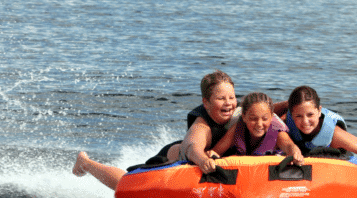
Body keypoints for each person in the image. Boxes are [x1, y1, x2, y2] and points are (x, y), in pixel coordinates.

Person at [72, 70, 240, 190]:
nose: (228, 103)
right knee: (126, 185)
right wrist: (203, 161)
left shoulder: (239, 115)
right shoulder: (202, 126)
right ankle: (86, 163)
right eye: (221, 98)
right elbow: (192, 146)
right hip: (166, 162)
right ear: (206, 103)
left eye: (232, 97)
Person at [282, 85, 357, 166]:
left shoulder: (335, 135)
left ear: (319, 111)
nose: (305, 121)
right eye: (298, 116)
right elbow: (268, 111)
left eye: (310, 115)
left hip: (334, 161)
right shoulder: (285, 120)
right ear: (291, 114)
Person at [209, 92, 304, 164]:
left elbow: (289, 145)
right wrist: (209, 158)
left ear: (271, 117)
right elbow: (216, 152)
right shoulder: (238, 129)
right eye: (253, 119)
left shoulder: (277, 132)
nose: (259, 124)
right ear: (244, 117)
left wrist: (295, 152)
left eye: (265, 119)